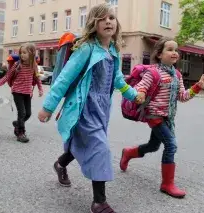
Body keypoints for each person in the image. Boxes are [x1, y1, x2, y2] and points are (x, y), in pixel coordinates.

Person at [37, 4, 143, 213]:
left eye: (112, 17)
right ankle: (99, 202)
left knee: (85, 144)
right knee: (99, 148)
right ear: (94, 23)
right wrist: (48, 107)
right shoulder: (86, 48)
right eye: (103, 18)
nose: (108, 21)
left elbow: (118, 80)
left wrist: (133, 95)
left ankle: (60, 164)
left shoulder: (113, 50)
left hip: (101, 109)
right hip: (83, 108)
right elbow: (64, 79)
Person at [119, 37, 204, 199]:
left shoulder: (177, 75)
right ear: (159, 54)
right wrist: (141, 93)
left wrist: (196, 87)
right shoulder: (152, 73)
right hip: (154, 116)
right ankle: (167, 184)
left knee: (153, 145)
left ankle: (129, 153)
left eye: (176, 50)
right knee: (171, 145)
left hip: (167, 117)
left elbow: (182, 96)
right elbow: (140, 88)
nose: (174, 53)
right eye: (170, 49)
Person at [0, 43, 43, 143]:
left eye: (24, 53)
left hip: (27, 92)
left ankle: (17, 123)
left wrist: (40, 89)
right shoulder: (17, 65)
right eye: (21, 53)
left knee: (28, 114)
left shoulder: (34, 65)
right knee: (22, 113)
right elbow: (8, 75)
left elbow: (37, 78)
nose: (22, 55)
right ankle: (21, 133)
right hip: (17, 91)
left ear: (32, 53)